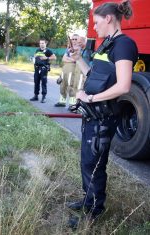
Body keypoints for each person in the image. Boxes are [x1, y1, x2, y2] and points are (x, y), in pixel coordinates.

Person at [67, 0, 138, 228]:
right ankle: (88, 200)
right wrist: (78, 60)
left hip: (104, 116)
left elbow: (124, 86)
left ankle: (93, 213)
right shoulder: (106, 43)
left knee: (94, 164)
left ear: (108, 19)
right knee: (88, 162)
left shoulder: (124, 45)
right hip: (93, 114)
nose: (94, 27)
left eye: (96, 22)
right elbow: (94, 76)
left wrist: (89, 98)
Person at [55, 34, 79, 107]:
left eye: (76, 39)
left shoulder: (79, 49)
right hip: (65, 69)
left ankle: (72, 104)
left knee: (71, 85)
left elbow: (77, 60)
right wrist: (72, 60)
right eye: (73, 39)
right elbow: (63, 59)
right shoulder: (68, 48)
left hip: (73, 69)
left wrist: (69, 59)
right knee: (62, 85)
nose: (74, 40)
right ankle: (62, 102)